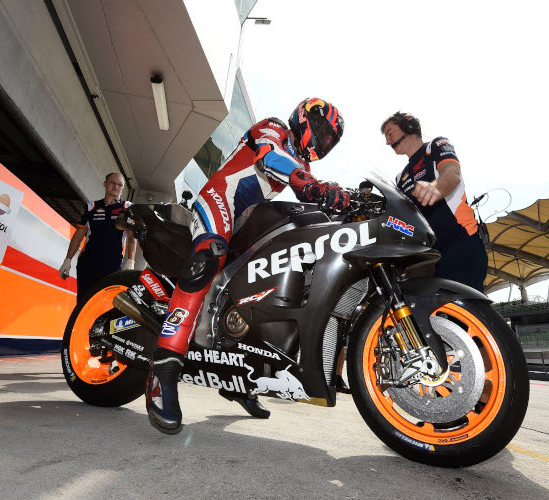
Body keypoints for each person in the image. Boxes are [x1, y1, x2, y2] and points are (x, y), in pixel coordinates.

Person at [146, 98, 350, 434]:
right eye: (323, 133)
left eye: (330, 140)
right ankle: (163, 368)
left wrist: (340, 198)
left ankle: (240, 378)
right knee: (209, 256)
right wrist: (312, 185)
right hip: (219, 200)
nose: (323, 142)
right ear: (305, 117)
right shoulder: (274, 129)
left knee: (266, 277)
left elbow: (309, 195)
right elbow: (270, 159)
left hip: (245, 220)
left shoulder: (302, 166)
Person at [381, 112, 488, 292]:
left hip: (461, 242)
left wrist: (436, 187)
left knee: (466, 313)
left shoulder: (436, 146)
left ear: (408, 127)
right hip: (430, 255)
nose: (387, 141)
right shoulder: (401, 177)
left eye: (390, 133)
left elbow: (452, 172)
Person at [59, 172, 136, 302]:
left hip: (112, 266)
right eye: (113, 183)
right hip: (87, 264)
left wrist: (131, 261)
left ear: (123, 188)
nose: (116, 187)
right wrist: (68, 260)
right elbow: (78, 235)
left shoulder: (127, 208)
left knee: (106, 305)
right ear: (105, 184)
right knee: (84, 303)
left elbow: (131, 237)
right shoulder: (91, 207)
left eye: (120, 185)